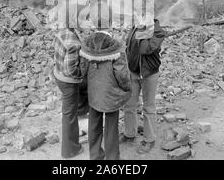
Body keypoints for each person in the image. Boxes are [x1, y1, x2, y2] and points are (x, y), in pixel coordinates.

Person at [79, 30, 131, 160]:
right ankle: (112, 157)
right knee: (111, 128)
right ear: (109, 35)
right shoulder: (116, 49)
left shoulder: (86, 47)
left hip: (94, 94)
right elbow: (122, 75)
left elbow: (82, 71)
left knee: (94, 125)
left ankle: (95, 155)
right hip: (111, 95)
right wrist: (127, 88)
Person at [122, 18, 166, 154]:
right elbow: (129, 46)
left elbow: (144, 49)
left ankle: (149, 139)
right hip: (133, 72)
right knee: (129, 105)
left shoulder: (158, 31)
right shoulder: (135, 26)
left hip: (149, 74)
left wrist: (142, 29)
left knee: (148, 107)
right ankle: (129, 134)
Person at [52, 23, 85, 159]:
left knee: (69, 112)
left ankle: (74, 137)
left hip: (58, 75)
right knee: (69, 116)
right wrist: (81, 74)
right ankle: (70, 150)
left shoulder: (63, 32)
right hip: (68, 82)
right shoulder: (73, 43)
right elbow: (71, 69)